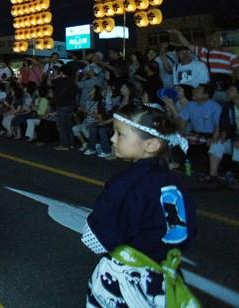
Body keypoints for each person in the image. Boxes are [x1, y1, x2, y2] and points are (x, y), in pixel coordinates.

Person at [82, 103, 198, 307]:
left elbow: (96, 238)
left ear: (151, 144)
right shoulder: (175, 182)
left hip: (129, 275)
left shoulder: (127, 183)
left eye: (120, 134)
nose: (112, 139)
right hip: (164, 273)